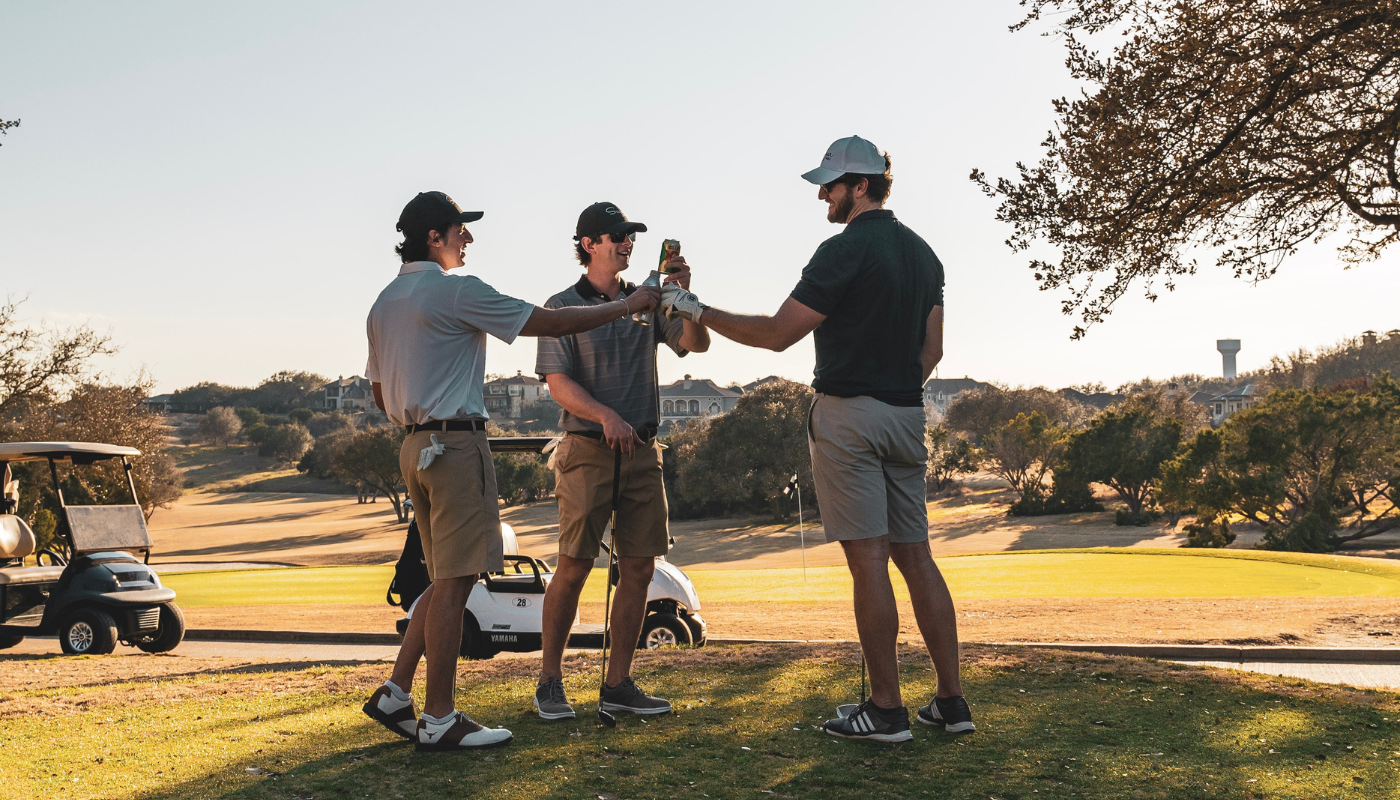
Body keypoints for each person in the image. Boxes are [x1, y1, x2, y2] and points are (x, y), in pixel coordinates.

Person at [661, 136, 973, 742]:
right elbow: (932, 350)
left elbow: (779, 334)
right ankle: (951, 702)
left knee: (869, 563)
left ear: (859, 185)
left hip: (849, 417)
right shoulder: (925, 255)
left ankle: (886, 711)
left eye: (828, 185)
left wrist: (695, 309)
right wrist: (895, 390)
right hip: (908, 415)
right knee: (917, 557)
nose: (822, 195)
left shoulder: (843, 249)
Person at [360, 191, 660, 752]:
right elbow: (546, 321)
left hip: (412, 446)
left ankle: (396, 693)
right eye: (459, 231)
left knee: (443, 577)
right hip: (455, 446)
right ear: (434, 237)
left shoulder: (384, 301)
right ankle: (441, 716)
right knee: (457, 581)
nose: (467, 239)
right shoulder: (455, 290)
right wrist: (626, 306)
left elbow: (380, 393)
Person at [531, 202, 709, 721]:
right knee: (574, 566)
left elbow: (695, 346)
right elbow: (558, 384)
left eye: (630, 236)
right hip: (587, 451)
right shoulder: (560, 305)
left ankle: (619, 685)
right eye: (616, 236)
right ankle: (549, 682)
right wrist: (606, 415)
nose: (626, 243)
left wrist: (686, 299)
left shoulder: (649, 300)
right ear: (588, 244)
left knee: (638, 568)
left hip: (642, 452)